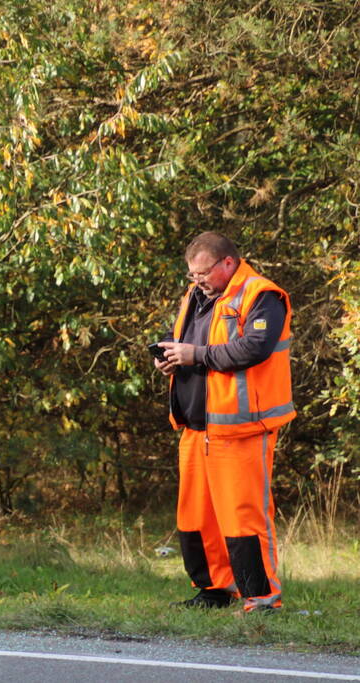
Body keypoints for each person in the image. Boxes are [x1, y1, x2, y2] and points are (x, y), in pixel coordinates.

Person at [155, 231, 294, 613]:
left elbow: (254, 347)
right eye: (192, 274)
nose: (196, 280)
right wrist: (168, 353)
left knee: (243, 519)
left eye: (202, 273)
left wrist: (195, 355)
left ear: (228, 263)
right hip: (195, 428)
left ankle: (261, 599)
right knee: (195, 518)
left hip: (242, 430)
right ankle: (214, 591)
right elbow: (180, 335)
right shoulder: (196, 295)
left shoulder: (262, 295)